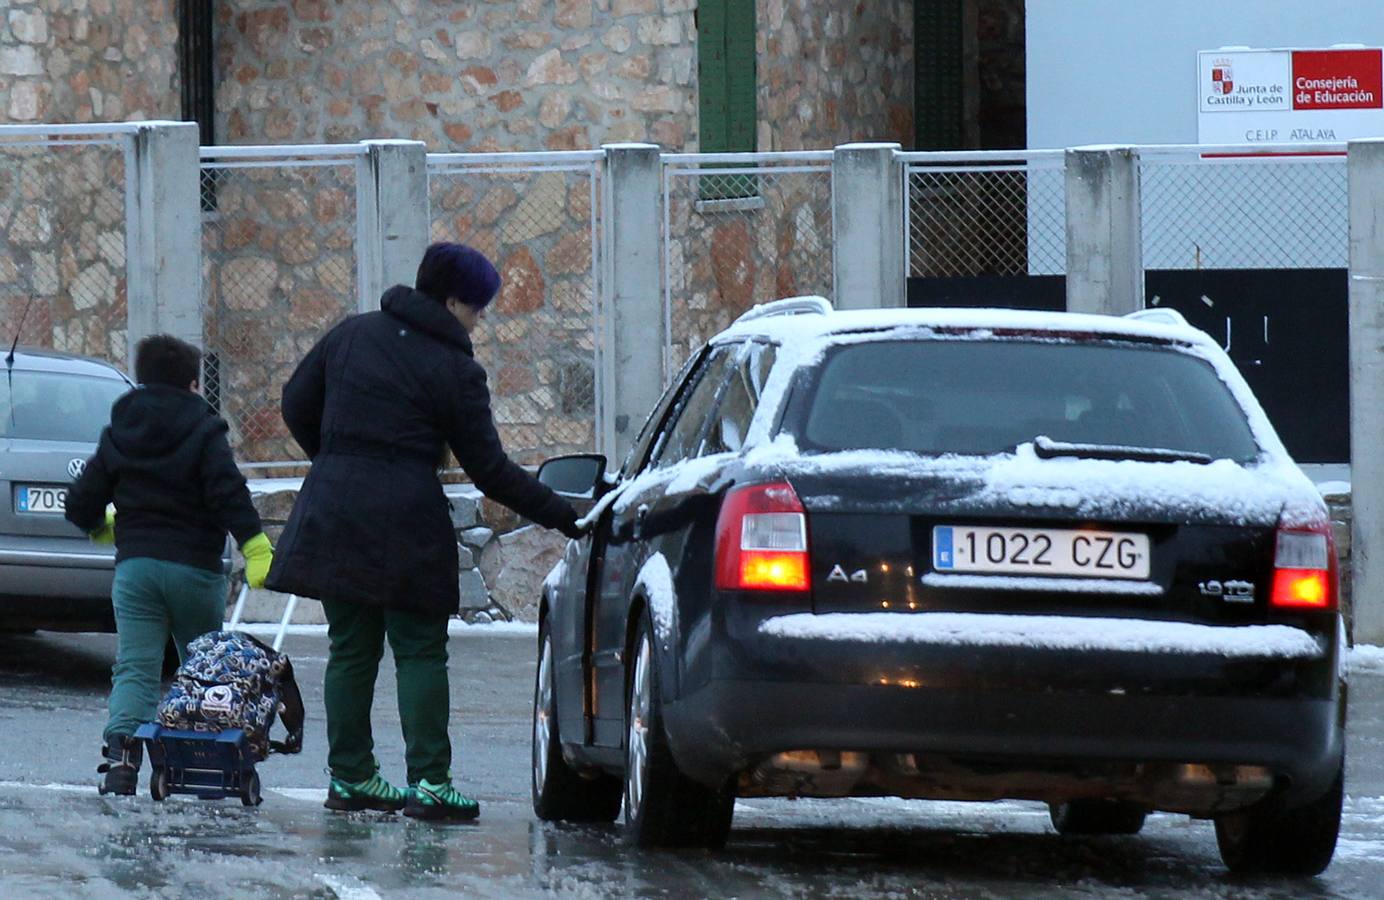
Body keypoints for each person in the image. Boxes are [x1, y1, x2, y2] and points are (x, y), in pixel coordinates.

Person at [266, 242, 583, 821]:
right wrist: (565, 514)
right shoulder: (454, 369)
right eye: (478, 308)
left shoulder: (352, 334)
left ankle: (352, 778)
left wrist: (337, 459)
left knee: (351, 650)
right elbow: (490, 469)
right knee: (418, 650)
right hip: (406, 518)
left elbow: (294, 402)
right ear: (454, 300)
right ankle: (431, 784)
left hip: (335, 509)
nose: (479, 320)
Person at [66, 334, 274, 796]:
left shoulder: (120, 429)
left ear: (141, 378)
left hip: (136, 568)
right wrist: (255, 544)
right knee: (202, 668)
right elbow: (227, 491)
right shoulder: (204, 428)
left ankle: (121, 762)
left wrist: (100, 526)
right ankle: (203, 762)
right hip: (195, 570)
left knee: (135, 667)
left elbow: (81, 499)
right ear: (194, 383)